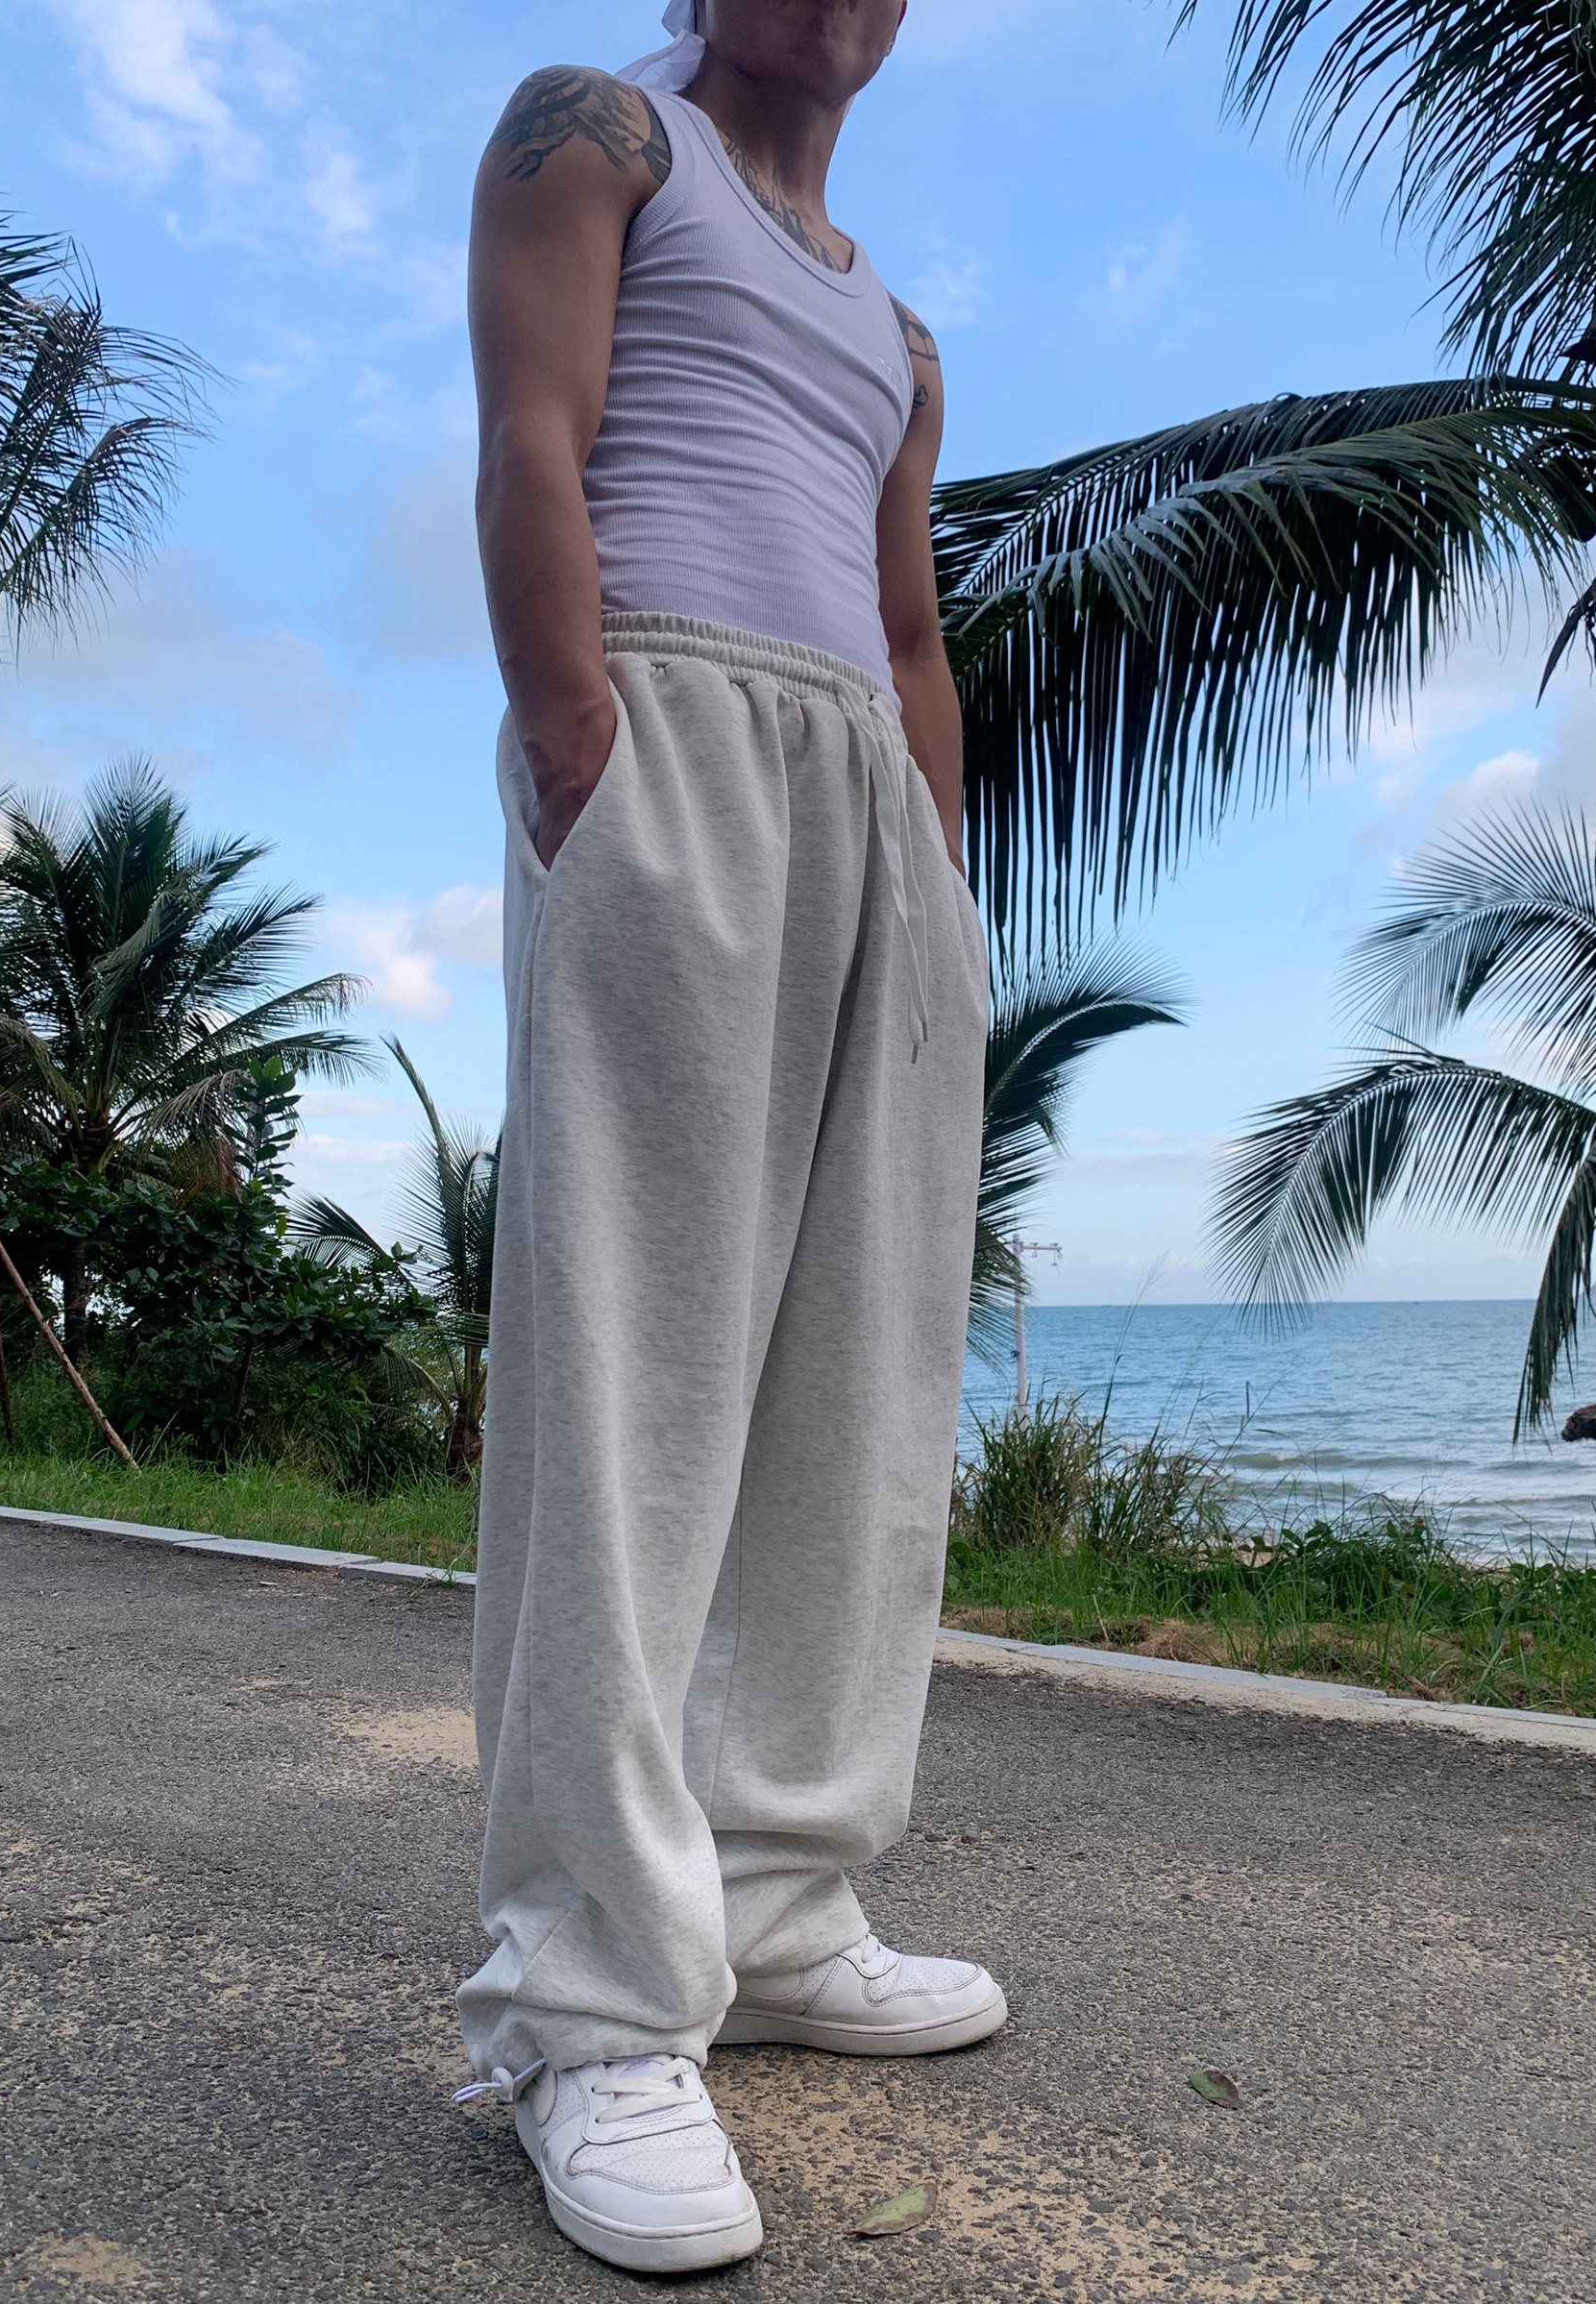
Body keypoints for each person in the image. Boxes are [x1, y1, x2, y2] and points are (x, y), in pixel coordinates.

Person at [454, 0, 1000, 2274]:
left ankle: (777, 1900)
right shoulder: (598, 134)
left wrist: (942, 889)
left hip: (869, 809)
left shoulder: (897, 328)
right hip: (662, 726)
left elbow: (910, 624)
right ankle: (585, 1999)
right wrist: (576, 737)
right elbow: (531, 437)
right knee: (631, 1381)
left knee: (854, 1393)